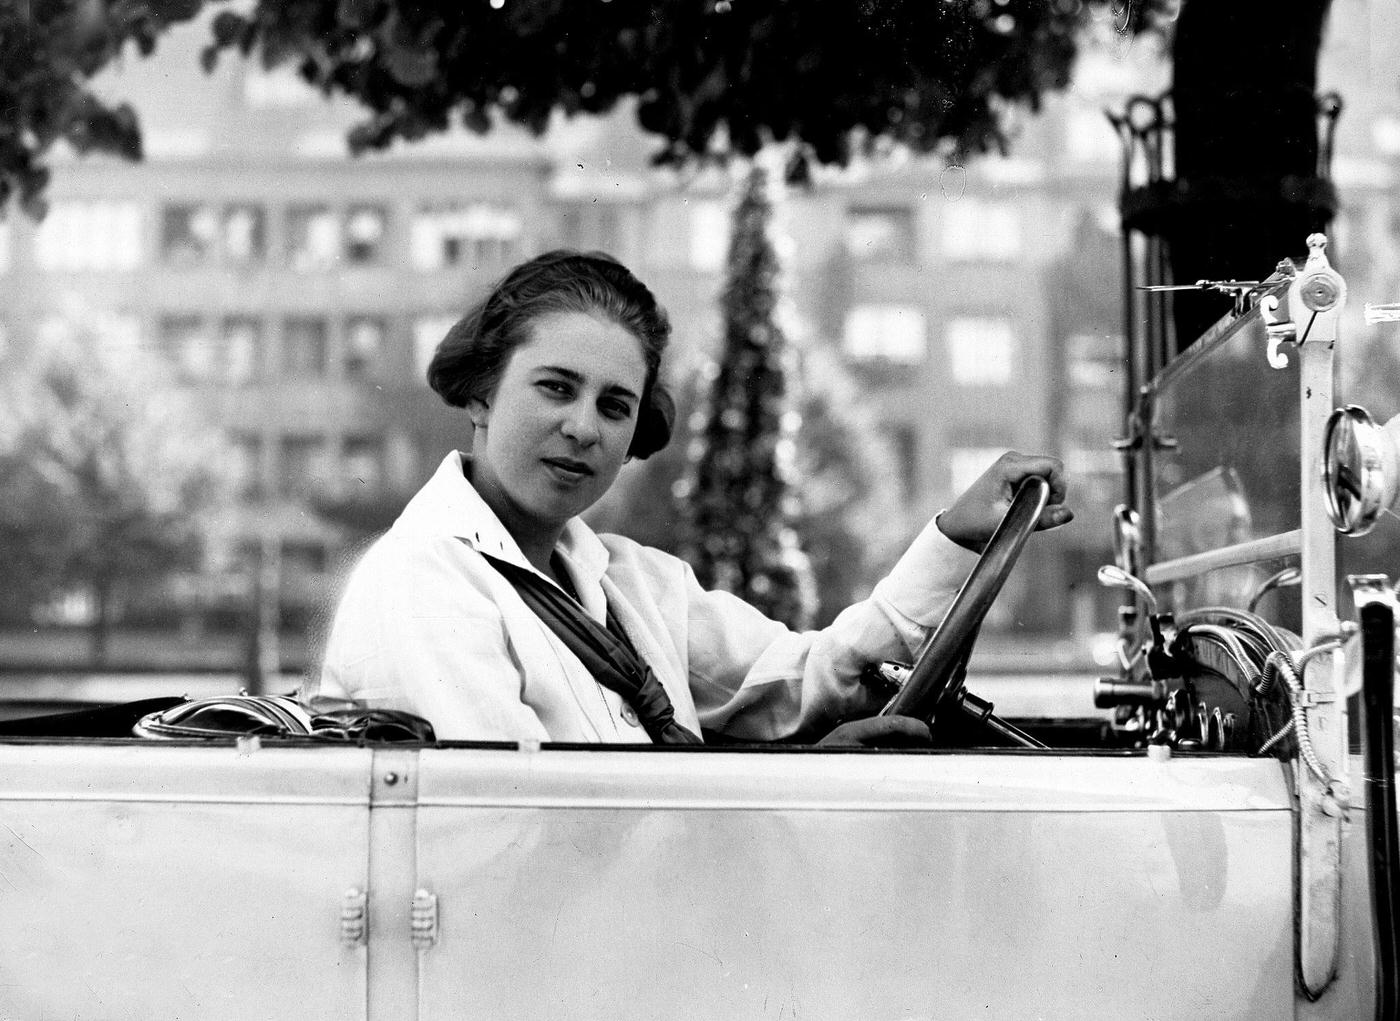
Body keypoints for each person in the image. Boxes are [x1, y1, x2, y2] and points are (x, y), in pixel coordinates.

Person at [312, 250, 1072, 745]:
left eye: (616, 406)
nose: (583, 427)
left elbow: (803, 678)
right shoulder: (424, 579)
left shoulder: (633, 584)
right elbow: (519, 839)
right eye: (554, 388)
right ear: (480, 394)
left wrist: (953, 540)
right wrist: (808, 781)